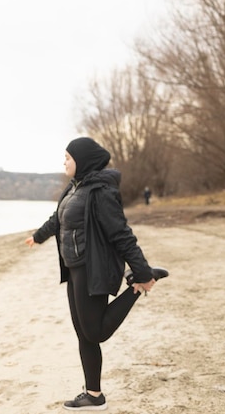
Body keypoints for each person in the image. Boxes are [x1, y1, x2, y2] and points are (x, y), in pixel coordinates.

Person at [24, 137, 168, 411]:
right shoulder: (75, 188)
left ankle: (138, 287)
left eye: (68, 157)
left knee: (96, 332)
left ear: (83, 160)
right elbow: (59, 218)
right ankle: (94, 394)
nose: (64, 161)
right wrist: (39, 236)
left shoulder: (101, 191)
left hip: (93, 268)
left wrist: (142, 270)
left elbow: (121, 233)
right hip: (74, 268)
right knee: (83, 334)